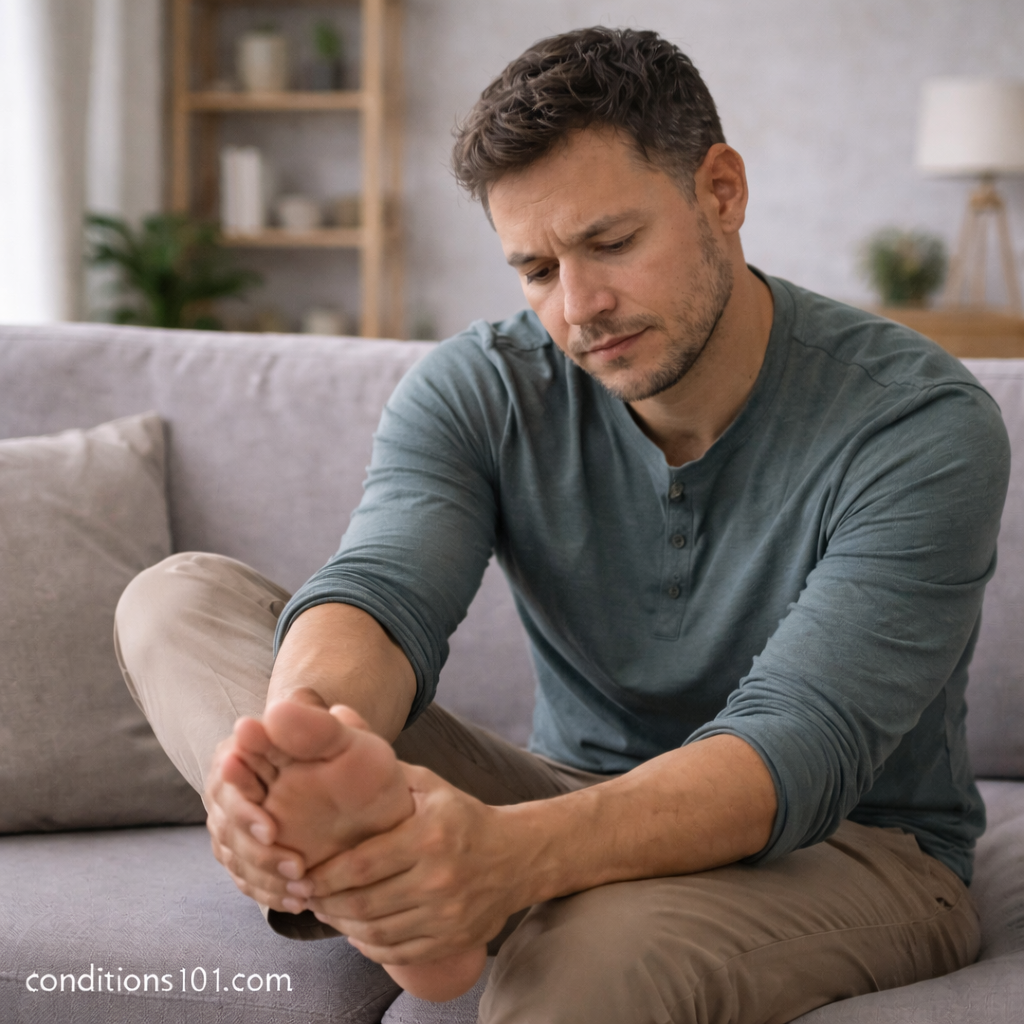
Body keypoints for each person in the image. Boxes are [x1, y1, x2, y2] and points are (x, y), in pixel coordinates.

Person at [115, 26, 1011, 1024]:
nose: (578, 305)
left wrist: (504, 859)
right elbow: (382, 586)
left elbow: (799, 742)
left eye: (611, 244)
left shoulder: (918, 420)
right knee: (177, 598)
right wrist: (306, 753)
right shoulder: (481, 386)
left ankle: (426, 886)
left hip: (846, 846)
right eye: (536, 269)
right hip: (557, 789)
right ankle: (376, 873)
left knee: (586, 953)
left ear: (721, 192)